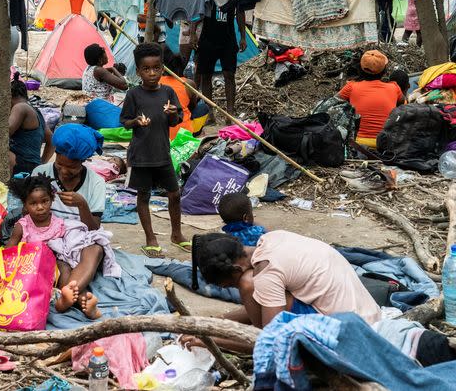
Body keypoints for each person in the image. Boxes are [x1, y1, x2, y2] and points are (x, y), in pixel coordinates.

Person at [193, 231, 381, 329]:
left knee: (248, 283)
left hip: (348, 331)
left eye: (230, 285)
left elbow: (271, 339)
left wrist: (212, 339)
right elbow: (267, 304)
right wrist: (216, 322)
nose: (236, 290)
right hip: (370, 316)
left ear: (236, 269)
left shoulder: (266, 273)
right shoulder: (272, 238)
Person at [5, 174, 119, 320]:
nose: (40, 207)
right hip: (35, 266)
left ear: (52, 200)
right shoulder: (23, 225)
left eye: (44, 201)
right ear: (25, 205)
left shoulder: (58, 222)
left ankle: (70, 301)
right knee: (63, 274)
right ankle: (79, 303)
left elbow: (72, 241)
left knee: (66, 272)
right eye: (33, 203)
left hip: (57, 262)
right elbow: (9, 250)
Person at [120, 43, 191, 258]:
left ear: (162, 69)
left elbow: (175, 120)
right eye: (146, 69)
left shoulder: (168, 92)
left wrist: (171, 113)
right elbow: (124, 122)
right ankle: (150, 238)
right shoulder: (134, 94)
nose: (152, 73)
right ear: (139, 71)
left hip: (162, 153)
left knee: (175, 194)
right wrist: (136, 122)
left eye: (156, 68)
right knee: (143, 196)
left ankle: (176, 234)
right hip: (140, 156)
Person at [188, 0, 247, 125]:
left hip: (228, 39)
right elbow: (198, 10)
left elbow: (240, 12)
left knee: (230, 75)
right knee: (205, 75)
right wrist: (192, 33)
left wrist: (243, 36)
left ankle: (230, 114)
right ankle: (210, 112)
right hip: (208, 38)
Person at [0, 73, 54, 175]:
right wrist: (41, 163)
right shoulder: (36, 111)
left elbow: (6, 131)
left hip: (21, 164)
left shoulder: (20, 107)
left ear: (8, 97)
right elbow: (51, 141)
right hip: (32, 165)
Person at [337, 50, 404, 148]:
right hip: (385, 144)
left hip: (358, 145)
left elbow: (332, 103)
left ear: (360, 68)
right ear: (384, 71)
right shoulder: (394, 88)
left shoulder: (351, 87)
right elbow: (404, 105)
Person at [159, 49, 200, 139]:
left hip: (162, 133)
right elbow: (193, 106)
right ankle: (197, 133)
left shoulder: (157, 82)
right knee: (202, 108)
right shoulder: (188, 83)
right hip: (184, 132)